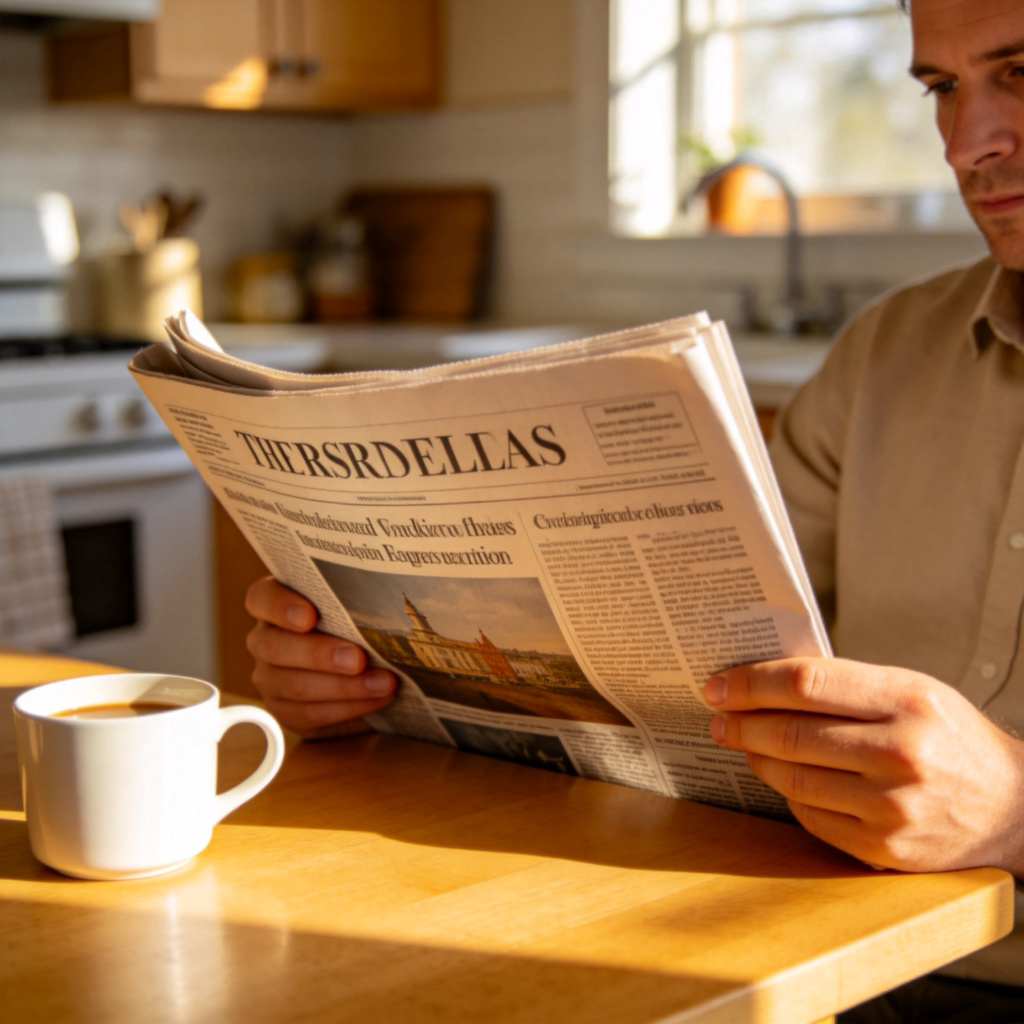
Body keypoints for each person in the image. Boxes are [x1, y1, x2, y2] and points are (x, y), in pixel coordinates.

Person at [245, 0, 1024, 1018]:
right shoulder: (884, 355)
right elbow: (700, 675)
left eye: (1017, 72)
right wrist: (363, 679)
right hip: (817, 958)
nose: (966, 143)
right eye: (940, 88)